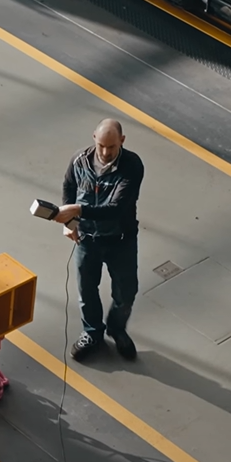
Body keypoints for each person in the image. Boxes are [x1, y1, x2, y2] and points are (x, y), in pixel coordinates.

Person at [56, 118, 145, 360]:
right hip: (87, 240)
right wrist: (69, 222)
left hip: (121, 241)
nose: (105, 152)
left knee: (126, 293)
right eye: (101, 146)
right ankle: (93, 333)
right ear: (94, 137)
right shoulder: (79, 160)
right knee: (87, 290)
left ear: (122, 141)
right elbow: (69, 185)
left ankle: (116, 329)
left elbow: (115, 208)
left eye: (112, 147)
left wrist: (77, 211)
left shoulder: (132, 165)